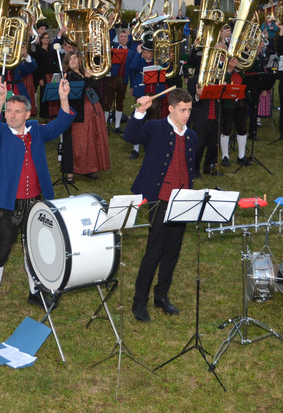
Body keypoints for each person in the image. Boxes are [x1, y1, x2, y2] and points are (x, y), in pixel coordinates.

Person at [0, 79, 74, 323]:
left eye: (17, 111)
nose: (11, 116)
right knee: (1, 251)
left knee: (33, 248)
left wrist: (63, 97)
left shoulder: (36, 131)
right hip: (7, 203)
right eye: (9, 111)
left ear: (27, 114)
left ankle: (34, 291)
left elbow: (62, 123)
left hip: (35, 201)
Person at [123, 88, 198, 321]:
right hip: (160, 197)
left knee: (172, 252)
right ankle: (139, 302)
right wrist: (140, 112)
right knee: (153, 252)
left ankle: (161, 296)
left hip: (183, 199)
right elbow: (130, 136)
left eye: (189, 110)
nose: (186, 114)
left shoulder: (192, 136)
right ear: (171, 108)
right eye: (182, 110)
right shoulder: (155, 128)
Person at [60, 51, 110, 180]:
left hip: (93, 110)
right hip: (81, 113)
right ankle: (78, 168)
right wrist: (87, 79)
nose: (73, 61)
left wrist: (88, 78)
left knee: (93, 139)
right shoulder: (69, 76)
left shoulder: (84, 72)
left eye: (75, 58)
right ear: (66, 63)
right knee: (81, 141)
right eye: (70, 59)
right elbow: (79, 90)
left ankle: (90, 168)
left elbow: (94, 86)